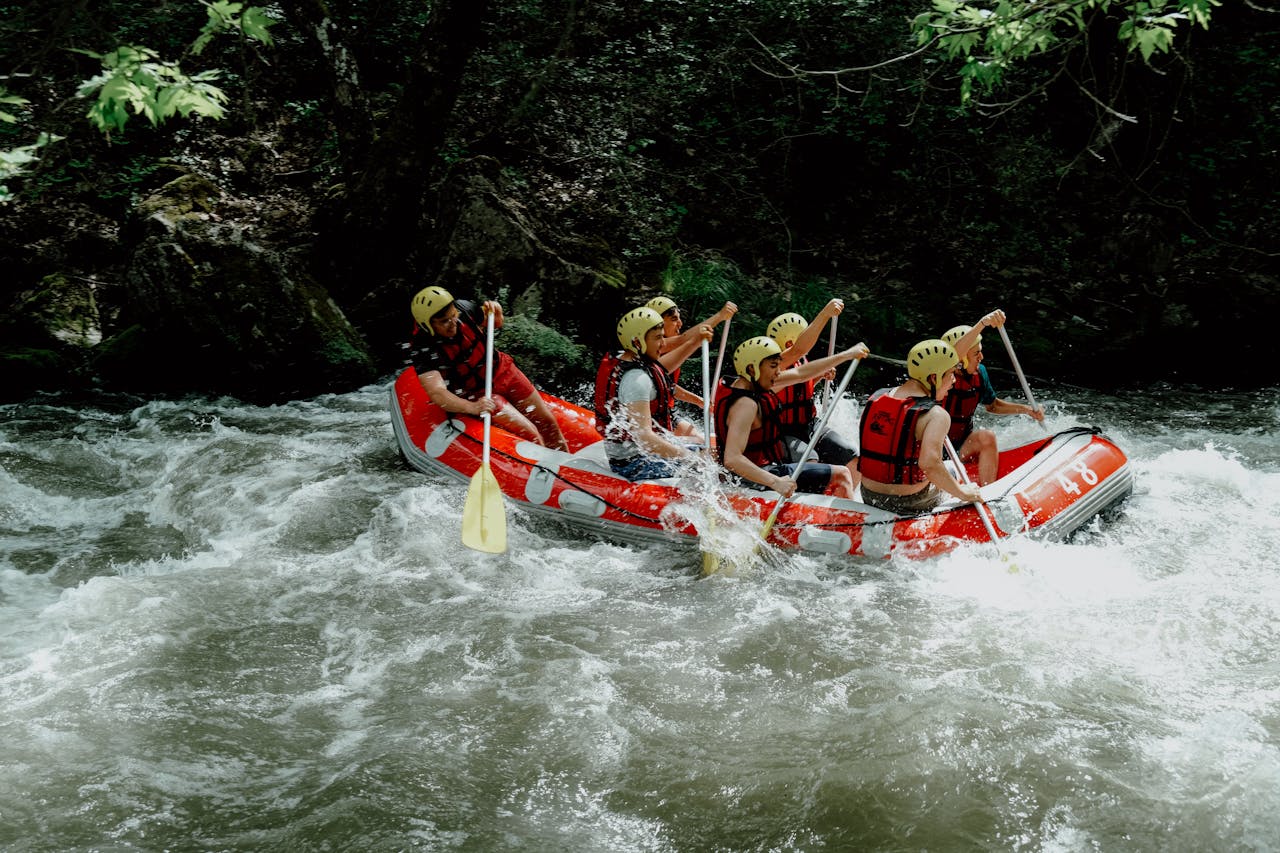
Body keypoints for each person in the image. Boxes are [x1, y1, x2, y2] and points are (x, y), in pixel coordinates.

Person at [410, 285, 568, 451]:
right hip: (478, 393)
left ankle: (568, 470)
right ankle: (547, 472)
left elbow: (496, 323)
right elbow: (437, 393)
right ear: (428, 325)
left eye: (453, 316)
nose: (453, 323)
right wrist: (472, 407)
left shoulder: (464, 308)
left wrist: (497, 312)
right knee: (531, 434)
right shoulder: (423, 348)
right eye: (444, 321)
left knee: (547, 423)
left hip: (503, 371)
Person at [714, 335, 868, 499]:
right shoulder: (746, 405)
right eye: (773, 366)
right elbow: (732, 459)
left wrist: (846, 355)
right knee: (842, 475)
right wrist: (775, 482)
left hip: (761, 467)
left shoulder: (748, 383)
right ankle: (850, 522)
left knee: (820, 466)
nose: (779, 372)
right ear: (752, 369)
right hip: (750, 478)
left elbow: (801, 373)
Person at [857, 339, 982, 514]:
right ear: (933, 378)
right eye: (951, 373)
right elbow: (930, 464)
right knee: (955, 470)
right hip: (910, 502)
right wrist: (962, 493)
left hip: (869, 495)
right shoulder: (936, 415)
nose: (954, 380)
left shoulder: (877, 397)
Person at [593, 306, 702, 480]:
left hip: (637, 453)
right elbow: (644, 437)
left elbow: (666, 387)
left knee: (705, 450)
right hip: (634, 463)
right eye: (658, 338)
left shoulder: (630, 359)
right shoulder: (636, 379)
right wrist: (688, 458)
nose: (663, 344)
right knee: (701, 466)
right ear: (637, 342)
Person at [940, 309, 1046, 485]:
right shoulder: (941, 375)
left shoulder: (980, 373)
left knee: (987, 437)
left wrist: (1027, 410)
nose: (981, 357)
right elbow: (952, 356)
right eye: (976, 354)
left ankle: (988, 493)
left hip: (961, 447)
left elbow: (993, 406)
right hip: (934, 450)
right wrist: (982, 323)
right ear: (960, 360)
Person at [767, 299, 861, 492]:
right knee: (811, 461)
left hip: (810, 424)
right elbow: (798, 350)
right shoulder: (776, 364)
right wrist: (825, 313)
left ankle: (843, 500)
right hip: (784, 431)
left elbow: (800, 389)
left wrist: (819, 376)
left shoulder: (801, 361)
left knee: (852, 456)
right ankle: (813, 502)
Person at [645, 296, 737, 438]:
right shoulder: (651, 348)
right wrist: (720, 316)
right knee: (698, 443)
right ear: (658, 324)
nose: (680, 324)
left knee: (700, 439)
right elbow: (684, 340)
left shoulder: (662, 351)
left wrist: (700, 401)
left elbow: (669, 387)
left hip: (664, 413)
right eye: (674, 319)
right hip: (649, 417)